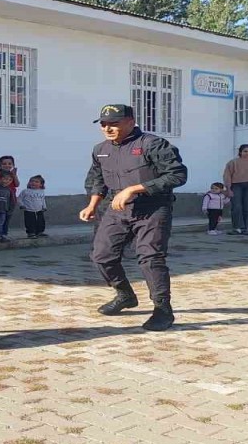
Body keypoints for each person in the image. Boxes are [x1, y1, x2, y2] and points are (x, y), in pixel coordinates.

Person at [80, 103, 187, 332]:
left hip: (152, 207)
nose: (108, 128)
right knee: (101, 255)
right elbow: (97, 179)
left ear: (130, 121)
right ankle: (125, 294)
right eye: (103, 124)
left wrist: (135, 188)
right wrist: (92, 205)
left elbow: (177, 175)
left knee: (150, 257)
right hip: (117, 209)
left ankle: (162, 310)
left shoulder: (152, 144)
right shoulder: (101, 149)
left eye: (114, 123)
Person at [0, 155, 21, 239]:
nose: (7, 165)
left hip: (11, 199)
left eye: (10, 163)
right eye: (4, 163)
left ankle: (4, 234)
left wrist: (14, 175)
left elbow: (17, 184)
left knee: (7, 217)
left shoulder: (12, 174)